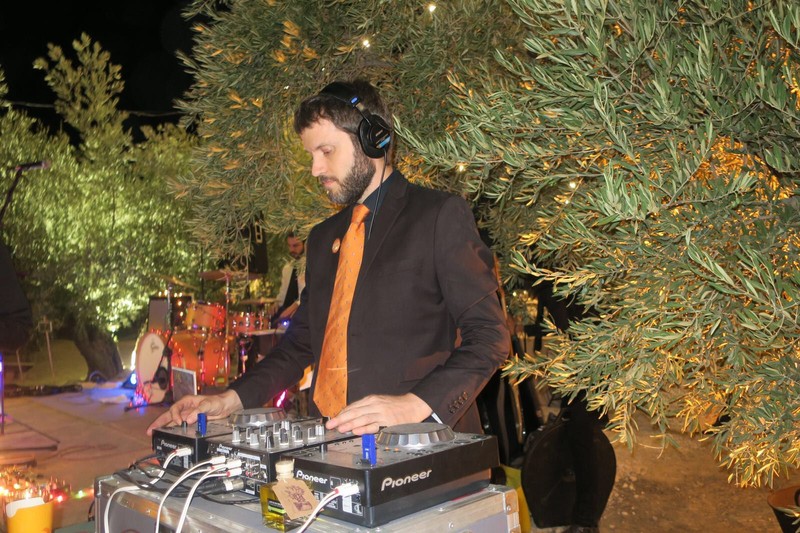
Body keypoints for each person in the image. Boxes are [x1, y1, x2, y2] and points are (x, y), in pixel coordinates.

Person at [148, 79, 509, 437]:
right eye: (311, 155)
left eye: (326, 151)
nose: (315, 169)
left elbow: (489, 336)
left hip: (422, 445)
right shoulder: (322, 239)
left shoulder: (439, 215)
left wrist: (415, 404)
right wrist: (230, 399)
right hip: (334, 442)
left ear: (372, 140)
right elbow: (301, 343)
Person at [268, 232, 305, 325]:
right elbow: (283, 293)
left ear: (305, 244)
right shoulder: (287, 268)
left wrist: (292, 308)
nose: (291, 250)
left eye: (295, 246)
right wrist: (276, 304)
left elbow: (306, 294)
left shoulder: (309, 266)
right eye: (289, 246)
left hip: (302, 314)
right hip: (287, 314)